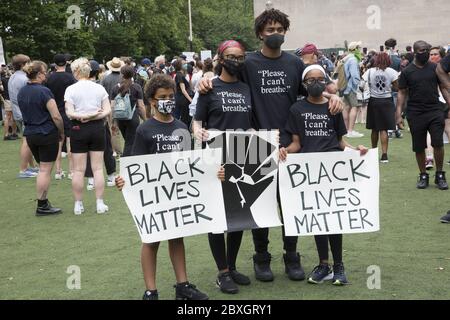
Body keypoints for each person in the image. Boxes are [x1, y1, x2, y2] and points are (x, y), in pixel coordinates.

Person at [198, 8, 343, 283]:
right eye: (270, 29)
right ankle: (261, 258)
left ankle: (292, 256)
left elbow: (310, 93)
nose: (275, 34)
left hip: (291, 146)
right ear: (260, 33)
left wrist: (332, 97)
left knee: (290, 205)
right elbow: (225, 80)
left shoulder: (294, 63)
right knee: (258, 206)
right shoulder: (248, 63)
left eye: (279, 29)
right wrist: (206, 79)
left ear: (285, 32)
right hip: (254, 146)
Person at [115, 74, 211, 300]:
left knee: (177, 238)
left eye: (170, 96)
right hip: (153, 196)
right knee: (151, 240)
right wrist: (124, 181)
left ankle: (182, 285)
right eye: (162, 97)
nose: (168, 100)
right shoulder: (144, 129)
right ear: (152, 101)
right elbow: (136, 166)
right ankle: (151, 290)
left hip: (177, 194)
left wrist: (212, 173)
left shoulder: (181, 127)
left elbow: (190, 163)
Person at [279, 65, 368, 285]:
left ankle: (339, 265)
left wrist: (356, 151)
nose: (316, 83)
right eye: (311, 80)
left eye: (320, 79)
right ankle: (323, 264)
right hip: (311, 172)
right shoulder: (296, 109)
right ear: (304, 84)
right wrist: (285, 150)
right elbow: (297, 143)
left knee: (333, 219)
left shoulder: (334, 107)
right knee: (318, 219)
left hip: (332, 171)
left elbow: (340, 142)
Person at [193, 40, 252, 295]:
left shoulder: (247, 88)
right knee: (217, 216)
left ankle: (232, 265)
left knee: (237, 215)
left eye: (239, 57)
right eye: (230, 56)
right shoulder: (208, 88)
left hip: (242, 155)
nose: (235, 61)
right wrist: (198, 133)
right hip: (214, 158)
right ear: (220, 58)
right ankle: (222, 272)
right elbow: (196, 122)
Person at [396, 41, 450, 190]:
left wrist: (449, 102)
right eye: (422, 51)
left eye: (427, 50)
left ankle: (440, 175)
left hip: (434, 110)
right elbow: (401, 92)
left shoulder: (435, 68)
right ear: (414, 52)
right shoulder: (407, 71)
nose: (425, 53)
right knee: (419, 146)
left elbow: (443, 86)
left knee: (438, 143)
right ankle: (423, 175)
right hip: (415, 112)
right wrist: (398, 113)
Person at [64, 58, 112, 214]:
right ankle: (99, 203)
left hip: (79, 129)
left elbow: (69, 112)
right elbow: (107, 110)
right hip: (97, 128)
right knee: (98, 169)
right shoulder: (99, 88)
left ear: (76, 72)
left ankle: (78, 205)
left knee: (78, 170)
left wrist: (81, 116)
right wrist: (93, 116)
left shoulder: (71, 89)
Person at [18, 61, 64, 216]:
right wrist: (62, 131)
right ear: (39, 74)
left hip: (30, 133)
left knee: (42, 168)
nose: (47, 75)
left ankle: (43, 202)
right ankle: (42, 204)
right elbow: (56, 116)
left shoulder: (22, 91)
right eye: (45, 72)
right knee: (45, 170)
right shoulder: (44, 92)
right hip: (45, 133)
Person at [85, 60, 117, 191]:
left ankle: (91, 180)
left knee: (87, 152)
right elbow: (107, 108)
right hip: (100, 123)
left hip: (84, 123)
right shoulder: (100, 87)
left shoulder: (78, 87)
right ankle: (110, 176)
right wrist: (110, 122)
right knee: (107, 150)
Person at [362, 52, 399, 163]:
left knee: (374, 128)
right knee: (383, 129)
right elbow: (397, 88)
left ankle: (373, 153)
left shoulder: (370, 71)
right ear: (388, 60)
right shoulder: (392, 72)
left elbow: (362, 83)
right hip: (387, 101)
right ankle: (384, 155)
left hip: (373, 101)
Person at [46, 54, 77, 180]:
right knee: (70, 142)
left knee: (58, 142)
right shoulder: (71, 78)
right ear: (66, 63)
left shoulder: (49, 78)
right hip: (68, 112)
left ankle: (58, 171)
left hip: (54, 112)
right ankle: (71, 171)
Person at [8, 54, 38, 178]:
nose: (30, 64)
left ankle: (31, 166)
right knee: (27, 141)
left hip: (17, 112)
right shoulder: (23, 79)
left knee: (26, 140)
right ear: (22, 65)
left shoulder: (12, 77)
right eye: (28, 62)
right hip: (25, 113)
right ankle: (23, 169)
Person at [111, 65, 147, 157]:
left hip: (120, 118)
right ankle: (126, 161)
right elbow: (141, 106)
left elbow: (112, 106)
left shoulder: (115, 88)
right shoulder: (136, 87)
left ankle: (129, 160)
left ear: (122, 75)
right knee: (130, 143)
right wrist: (145, 119)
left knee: (128, 141)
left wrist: (113, 121)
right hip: (132, 118)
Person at [342, 41, 364, 138]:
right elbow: (355, 75)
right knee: (354, 107)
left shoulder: (346, 58)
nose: (360, 50)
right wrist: (358, 85)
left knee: (346, 108)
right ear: (355, 49)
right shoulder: (353, 60)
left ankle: (346, 130)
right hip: (351, 87)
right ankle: (350, 131)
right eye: (358, 48)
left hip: (345, 87)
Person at [173, 58, 193, 126]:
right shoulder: (179, 75)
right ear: (180, 66)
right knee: (185, 118)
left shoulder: (181, 75)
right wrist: (191, 100)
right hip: (183, 99)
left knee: (185, 118)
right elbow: (183, 90)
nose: (186, 65)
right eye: (184, 64)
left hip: (183, 99)